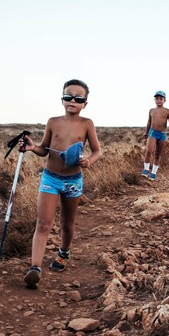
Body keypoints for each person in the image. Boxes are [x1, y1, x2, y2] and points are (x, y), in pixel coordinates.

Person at [19, 79, 101, 289]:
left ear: (85, 103)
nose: (72, 100)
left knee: (67, 223)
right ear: (62, 99)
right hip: (50, 179)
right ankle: (35, 268)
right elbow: (44, 150)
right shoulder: (53, 122)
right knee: (43, 223)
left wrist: (88, 161)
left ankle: (64, 252)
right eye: (68, 96)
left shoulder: (87, 124)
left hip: (73, 181)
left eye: (78, 98)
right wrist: (32, 147)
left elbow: (97, 151)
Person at [141, 90, 169, 181]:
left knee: (157, 154)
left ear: (164, 100)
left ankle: (153, 173)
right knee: (149, 151)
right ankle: (146, 170)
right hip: (152, 132)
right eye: (157, 99)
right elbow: (149, 122)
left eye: (161, 99)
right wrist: (146, 132)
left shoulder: (167, 111)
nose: (159, 100)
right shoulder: (151, 111)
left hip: (162, 134)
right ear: (154, 100)